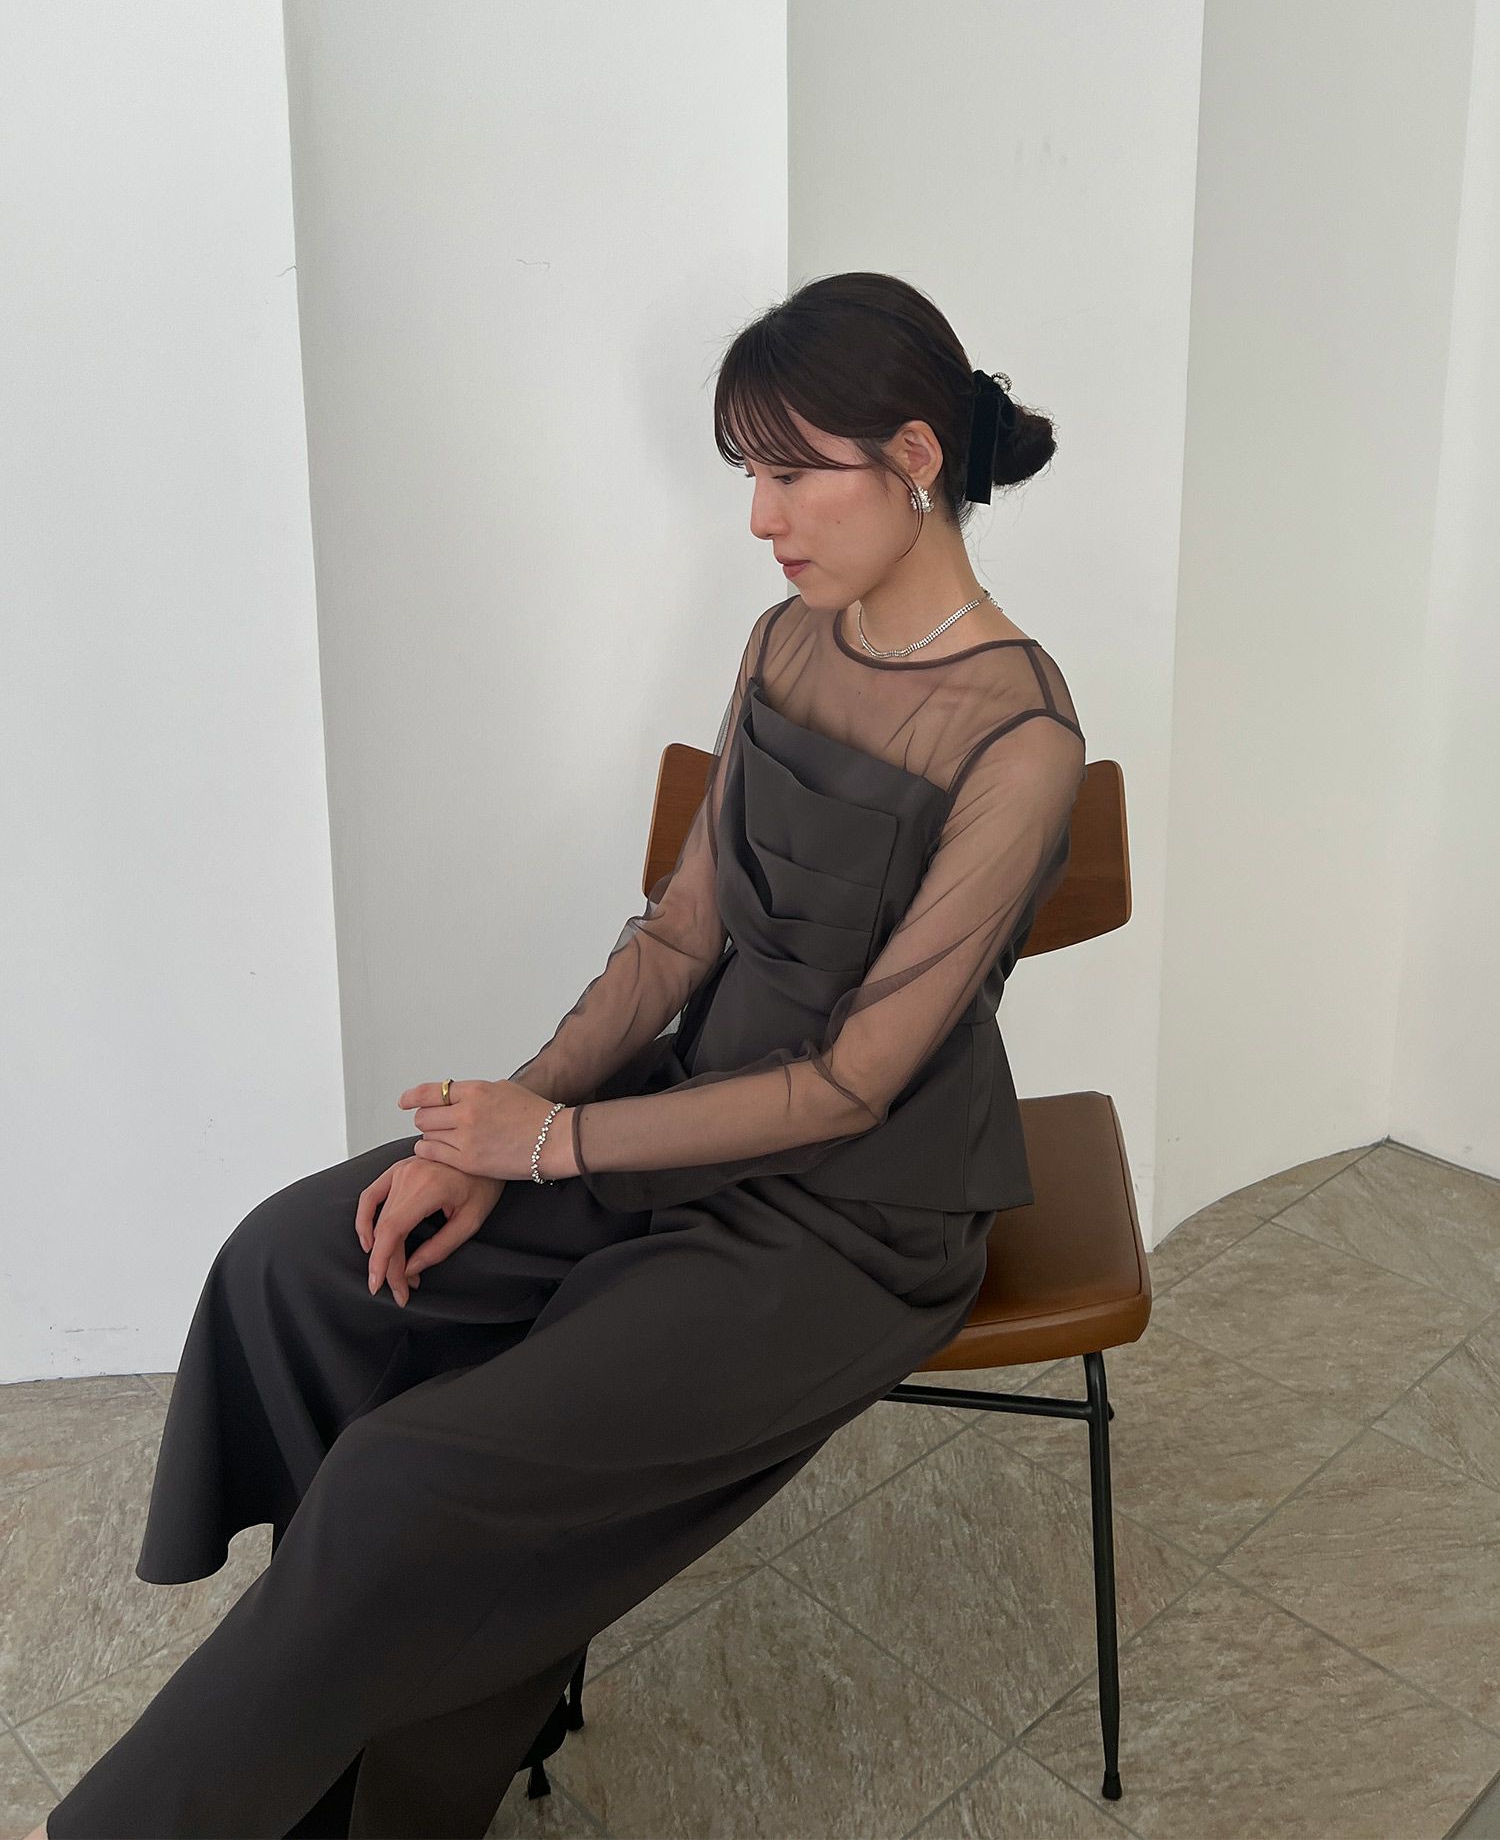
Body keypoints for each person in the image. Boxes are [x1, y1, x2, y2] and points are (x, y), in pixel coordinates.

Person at [35, 269, 1086, 1839]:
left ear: (916, 458)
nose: (760, 518)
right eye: (747, 473)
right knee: (294, 1263)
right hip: (680, 1116)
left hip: (855, 1217)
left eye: (791, 473)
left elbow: (854, 1085)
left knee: (406, 1480)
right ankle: (362, 1742)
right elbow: (679, 935)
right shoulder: (784, 641)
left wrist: (547, 1146)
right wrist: (503, 1124)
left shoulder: (1022, 737)